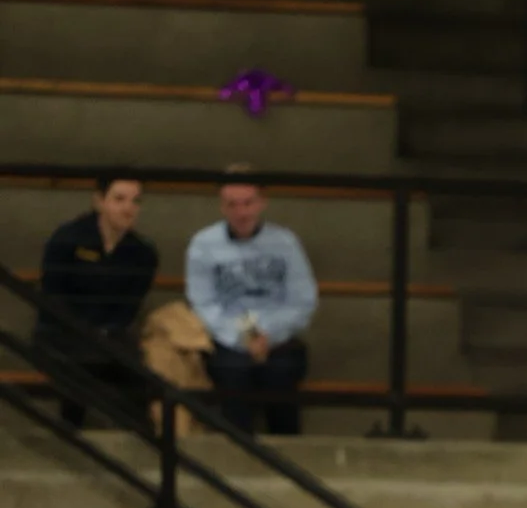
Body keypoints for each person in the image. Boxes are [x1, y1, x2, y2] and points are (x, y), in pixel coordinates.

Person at [185, 170, 317, 435]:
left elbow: (303, 299)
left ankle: (286, 451)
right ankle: (236, 451)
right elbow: (203, 303)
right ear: (222, 206)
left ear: (261, 202)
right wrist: (244, 337)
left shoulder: (285, 243)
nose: (241, 212)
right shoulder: (203, 244)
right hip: (227, 339)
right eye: (232, 204)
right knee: (233, 374)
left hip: (278, 338)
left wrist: (268, 333)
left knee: (281, 375)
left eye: (247, 203)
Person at [34, 169, 158, 428]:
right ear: (99, 201)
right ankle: (71, 436)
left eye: (135, 201)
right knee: (81, 366)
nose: (128, 208)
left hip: (109, 336)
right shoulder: (68, 239)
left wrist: (104, 334)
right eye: (119, 199)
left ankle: (139, 443)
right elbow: (52, 297)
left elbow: (127, 310)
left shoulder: (143, 254)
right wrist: (85, 331)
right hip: (61, 332)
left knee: (144, 379)